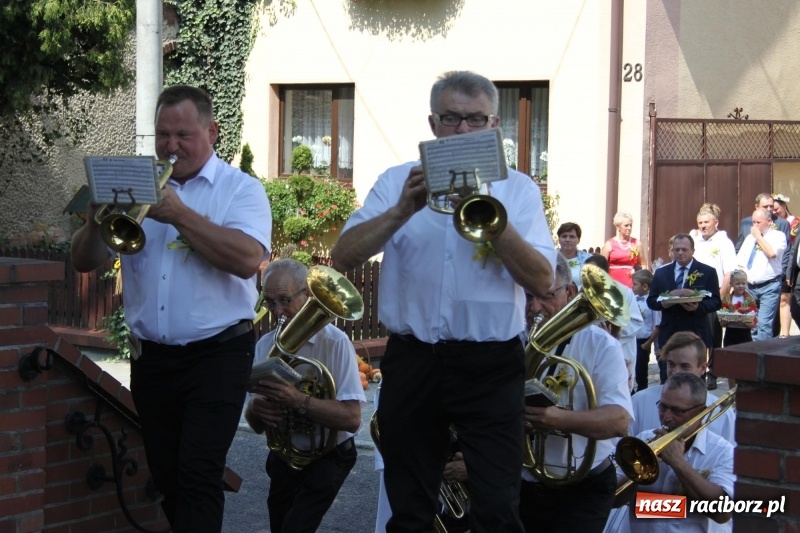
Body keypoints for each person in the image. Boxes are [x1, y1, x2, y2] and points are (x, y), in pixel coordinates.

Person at [331, 70, 557, 533]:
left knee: (496, 508)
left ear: (495, 125)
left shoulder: (518, 189)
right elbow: (343, 255)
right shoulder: (398, 180)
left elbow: (540, 277)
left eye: (475, 120)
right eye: (451, 118)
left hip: (491, 365)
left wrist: (494, 220)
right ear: (433, 124)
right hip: (414, 361)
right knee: (409, 508)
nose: (462, 131)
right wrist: (399, 212)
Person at [70, 85, 272, 532]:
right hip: (152, 359)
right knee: (166, 476)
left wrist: (180, 214)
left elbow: (245, 260)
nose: (171, 146)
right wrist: (96, 219)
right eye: (163, 135)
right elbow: (84, 261)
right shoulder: (135, 188)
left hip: (217, 356)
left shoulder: (241, 190)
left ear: (212, 131)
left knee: (199, 474)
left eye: (183, 134)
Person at [245, 259, 366, 533]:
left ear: (307, 295)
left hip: (330, 456)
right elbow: (254, 424)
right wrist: (256, 409)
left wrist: (298, 400)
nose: (279, 312)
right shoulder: (265, 346)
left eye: (286, 300)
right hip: (285, 456)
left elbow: (352, 420)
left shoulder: (334, 342)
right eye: (270, 303)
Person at [521, 253, 633, 533]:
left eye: (545, 296)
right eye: (526, 297)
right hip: (522, 482)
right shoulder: (511, 341)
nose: (534, 307)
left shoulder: (602, 346)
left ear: (570, 292)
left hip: (582, 488)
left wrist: (557, 420)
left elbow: (619, 420)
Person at [619, 373, 734, 533]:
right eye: (663, 407)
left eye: (677, 411)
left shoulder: (722, 452)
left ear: (701, 412)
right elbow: (613, 499)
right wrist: (638, 470)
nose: (666, 418)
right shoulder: (644, 439)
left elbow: (722, 514)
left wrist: (678, 463)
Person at [629, 331, 735, 444]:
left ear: (703, 368)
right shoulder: (640, 401)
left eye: (685, 366)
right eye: (671, 364)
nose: (676, 372)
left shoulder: (722, 414)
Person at [646, 233, 721, 373]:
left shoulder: (707, 272)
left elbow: (716, 302)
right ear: (672, 251)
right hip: (669, 331)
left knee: (694, 376)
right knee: (667, 374)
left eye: (684, 250)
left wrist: (698, 307)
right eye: (677, 250)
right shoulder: (661, 273)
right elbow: (651, 301)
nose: (680, 253)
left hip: (695, 330)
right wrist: (664, 303)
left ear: (693, 250)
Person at [688, 203, 737, 390]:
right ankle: (696, 369)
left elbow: (728, 272)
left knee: (712, 336)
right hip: (694, 293)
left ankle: (713, 373)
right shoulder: (695, 240)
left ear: (716, 222)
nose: (703, 226)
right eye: (700, 222)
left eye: (706, 222)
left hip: (714, 293)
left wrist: (720, 295)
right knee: (695, 334)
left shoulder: (724, 242)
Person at [584, 253, 644, 393]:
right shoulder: (585, 290)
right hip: (592, 345)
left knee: (618, 388)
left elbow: (636, 322)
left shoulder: (624, 292)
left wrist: (613, 333)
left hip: (621, 347)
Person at [735, 193, 791, 338]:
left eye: (758, 222)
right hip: (750, 286)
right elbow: (741, 260)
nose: (754, 226)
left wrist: (759, 237)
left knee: (764, 323)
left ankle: (762, 356)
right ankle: (753, 355)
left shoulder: (777, 236)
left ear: (768, 220)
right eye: (753, 222)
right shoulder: (749, 237)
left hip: (769, 285)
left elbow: (771, 253)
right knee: (752, 323)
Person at [773, 194, 798, 337]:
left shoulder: (795, 222)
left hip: (789, 261)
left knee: (785, 298)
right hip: (776, 260)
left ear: (784, 206)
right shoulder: (772, 223)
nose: (774, 212)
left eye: (777, 208)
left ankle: (785, 333)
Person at [631, 269, 660, 393]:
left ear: (645, 286)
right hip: (632, 339)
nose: (632, 287)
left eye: (634, 284)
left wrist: (648, 343)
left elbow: (658, 325)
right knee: (631, 367)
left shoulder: (652, 302)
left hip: (645, 340)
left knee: (641, 370)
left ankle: (642, 391)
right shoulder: (633, 299)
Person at [601, 212, 643, 288]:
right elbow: (601, 266)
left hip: (631, 284)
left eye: (630, 225)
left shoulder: (637, 243)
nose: (629, 228)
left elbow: (643, 264)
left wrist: (642, 281)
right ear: (618, 227)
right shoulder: (609, 244)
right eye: (626, 225)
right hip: (613, 283)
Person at [557, 222, 592, 289]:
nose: (567, 240)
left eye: (572, 237)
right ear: (559, 239)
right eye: (564, 236)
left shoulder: (588, 259)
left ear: (578, 240)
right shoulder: (551, 258)